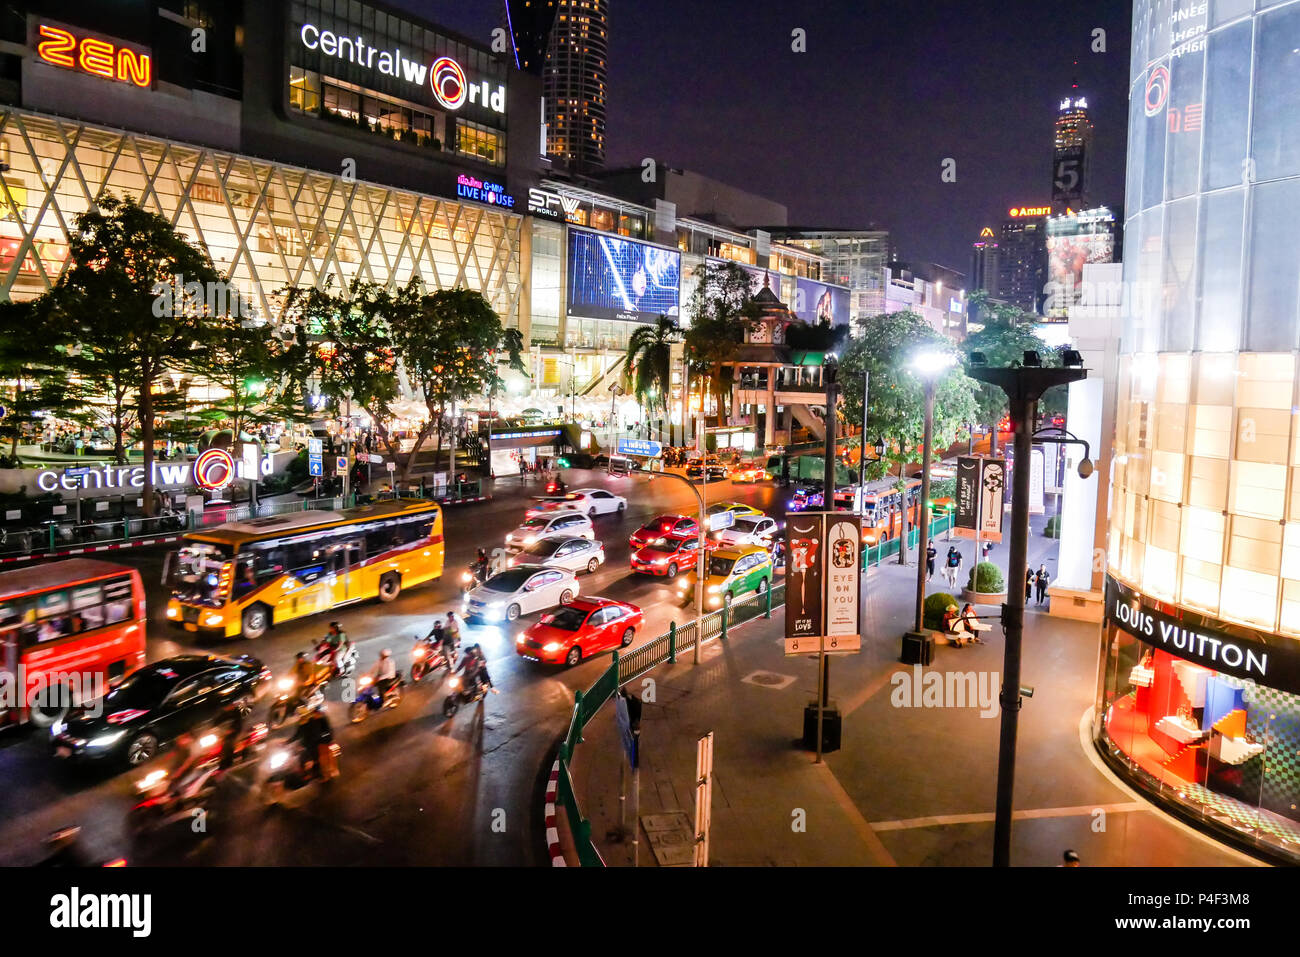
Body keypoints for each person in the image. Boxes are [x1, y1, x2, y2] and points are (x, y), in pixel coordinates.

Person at [291, 701, 336, 780]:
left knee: (320, 760)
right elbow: (298, 734)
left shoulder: (318, 721)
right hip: (310, 744)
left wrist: (325, 740)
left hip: (320, 743)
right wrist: (287, 742)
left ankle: (323, 774)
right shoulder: (304, 722)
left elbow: (325, 732)